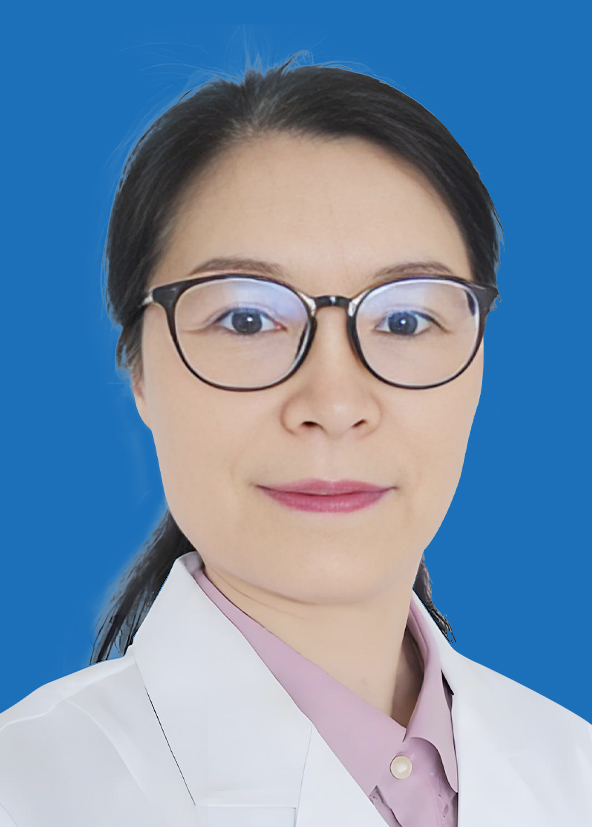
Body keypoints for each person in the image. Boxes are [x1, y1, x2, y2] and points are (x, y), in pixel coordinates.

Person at [1, 54, 590, 827]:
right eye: (247, 319)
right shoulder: (27, 791)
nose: (335, 403)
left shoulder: (573, 769)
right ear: (138, 370)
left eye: (406, 319)